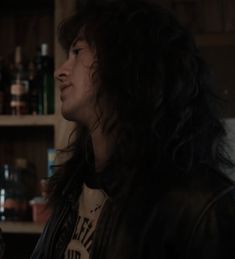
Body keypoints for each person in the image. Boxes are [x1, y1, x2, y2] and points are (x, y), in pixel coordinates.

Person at [31, 1, 235, 258]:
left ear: (124, 62)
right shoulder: (73, 187)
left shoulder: (202, 207)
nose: (60, 71)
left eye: (77, 51)